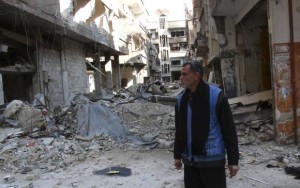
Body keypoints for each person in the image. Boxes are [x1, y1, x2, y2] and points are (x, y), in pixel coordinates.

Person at [174, 60, 239, 188]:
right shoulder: (181, 100)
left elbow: (229, 129)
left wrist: (233, 161)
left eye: (184, 74)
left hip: (212, 162)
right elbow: (180, 129)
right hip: (190, 162)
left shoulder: (216, 96)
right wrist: (177, 155)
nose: (180, 78)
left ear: (196, 76)